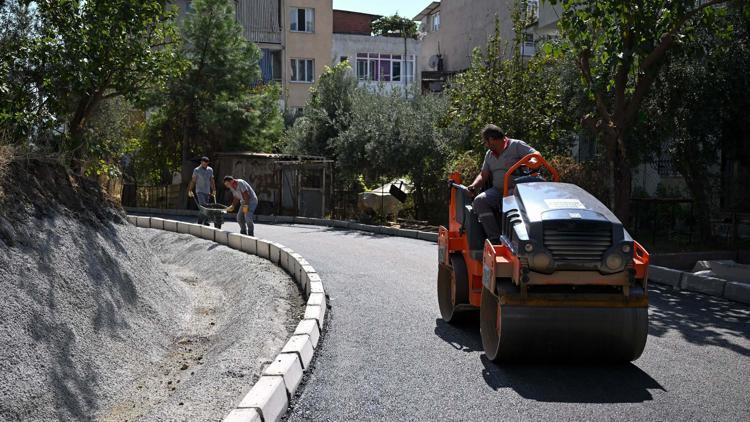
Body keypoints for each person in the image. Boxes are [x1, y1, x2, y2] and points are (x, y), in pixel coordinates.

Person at [467, 124, 536, 242]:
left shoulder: (516, 145)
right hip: (498, 190)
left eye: (485, 142)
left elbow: (535, 155)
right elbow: (483, 175)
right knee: (479, 201)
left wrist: (532, 162)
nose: (485, 145)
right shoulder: (489, 154)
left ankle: (515, 240)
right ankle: (495, 238)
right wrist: (474, 186)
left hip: (516, 190)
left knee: (509, 200)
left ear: (492, 139)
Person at [187, 156, 217, 225]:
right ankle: (204, 221)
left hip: (207, 191)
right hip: (199, 191)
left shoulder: (210, 170)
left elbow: (212, 180)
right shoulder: (196, 170)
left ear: (208, 163)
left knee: (206, 207)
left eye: (206, 164)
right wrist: (190, 190)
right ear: (201, 162)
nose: (205, 165)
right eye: (203, 164)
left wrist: (214, 190)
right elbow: (193, 181)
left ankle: (202, 221)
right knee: (203, 206)